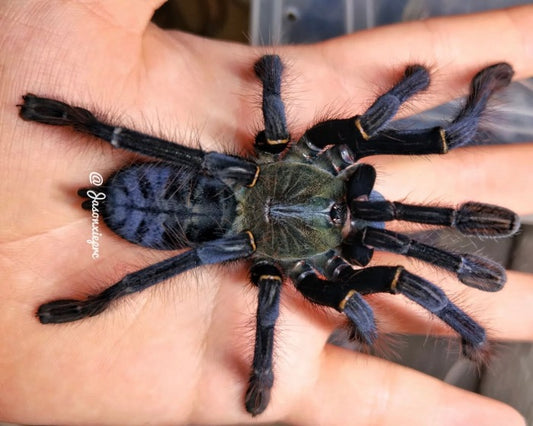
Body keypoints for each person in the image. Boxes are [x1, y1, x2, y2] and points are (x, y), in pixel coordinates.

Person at [1, 1, 532, 424]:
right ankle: (84, 144)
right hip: (182, 215)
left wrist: (398, 90)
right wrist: (326, 341)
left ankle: (77, 127)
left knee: (203, 177)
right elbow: (302, 311)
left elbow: (358, 124)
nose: (357, 215)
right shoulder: (304, 267)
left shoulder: (309, 157)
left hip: (186, 199)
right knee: (207, 234)